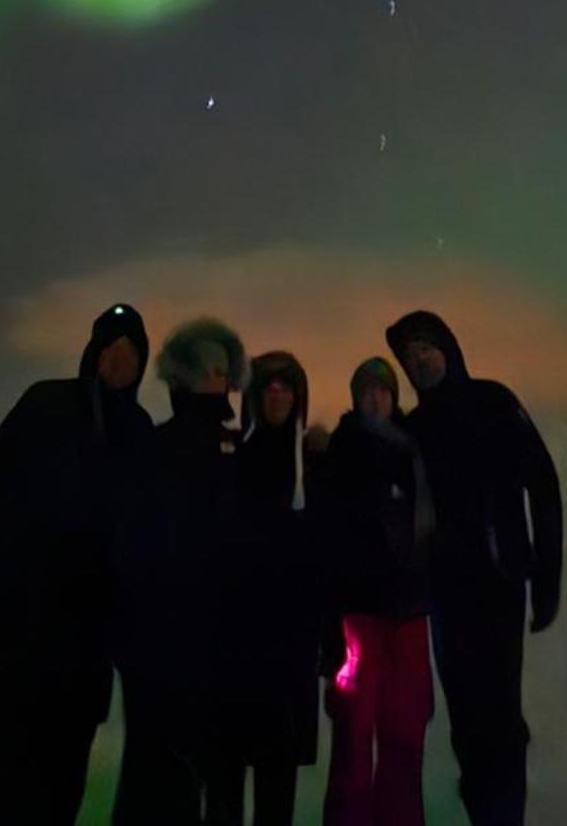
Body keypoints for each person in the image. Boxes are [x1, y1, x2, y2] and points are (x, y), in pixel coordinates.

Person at [0, 302, 152, 826]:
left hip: (87, 641)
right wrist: (31, 537)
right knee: (9, 774)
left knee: (64, 779)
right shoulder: (46, 403)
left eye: (130, 354)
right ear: (93, 354)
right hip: (25, 629)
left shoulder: (137, 431)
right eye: (110, 350)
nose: (119, 362)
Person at [385, 313, 561, 826]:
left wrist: (546, 579)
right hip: (447, 595)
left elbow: (542, 484)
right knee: (467, 720)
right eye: (410, 353)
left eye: (427, 346)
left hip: (499, 582)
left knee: (501, 716)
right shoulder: (411, 432)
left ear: (449, 348)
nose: (419, 359)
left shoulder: (494, 403)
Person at [113, 316, 248, 826]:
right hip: (159, 647)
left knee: (208, 778)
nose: (212, 378)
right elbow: (133, 545)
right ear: (181, 376)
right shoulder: (155, 447)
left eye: (220, 369)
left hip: (218, 648)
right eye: (202, 368)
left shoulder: (237, 454)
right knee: (155, 774)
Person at [321, 356, 436, 826]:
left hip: (407, 611)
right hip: (360, 615)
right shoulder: (343, 452)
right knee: (355, 736)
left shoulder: (416, 452)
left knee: (405, 734)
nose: (375, 397)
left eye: (382, 389)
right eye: (366, 389)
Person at [212, 350, 324, 826]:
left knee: (277, 775)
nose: (277, 392)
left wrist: (330, 634)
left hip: (290, 646)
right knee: (225, 773)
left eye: (286, 384)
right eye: (269, 384)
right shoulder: (229, 457)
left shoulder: (316, 466)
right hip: (232, 642)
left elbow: (328, 552)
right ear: (254, 394)